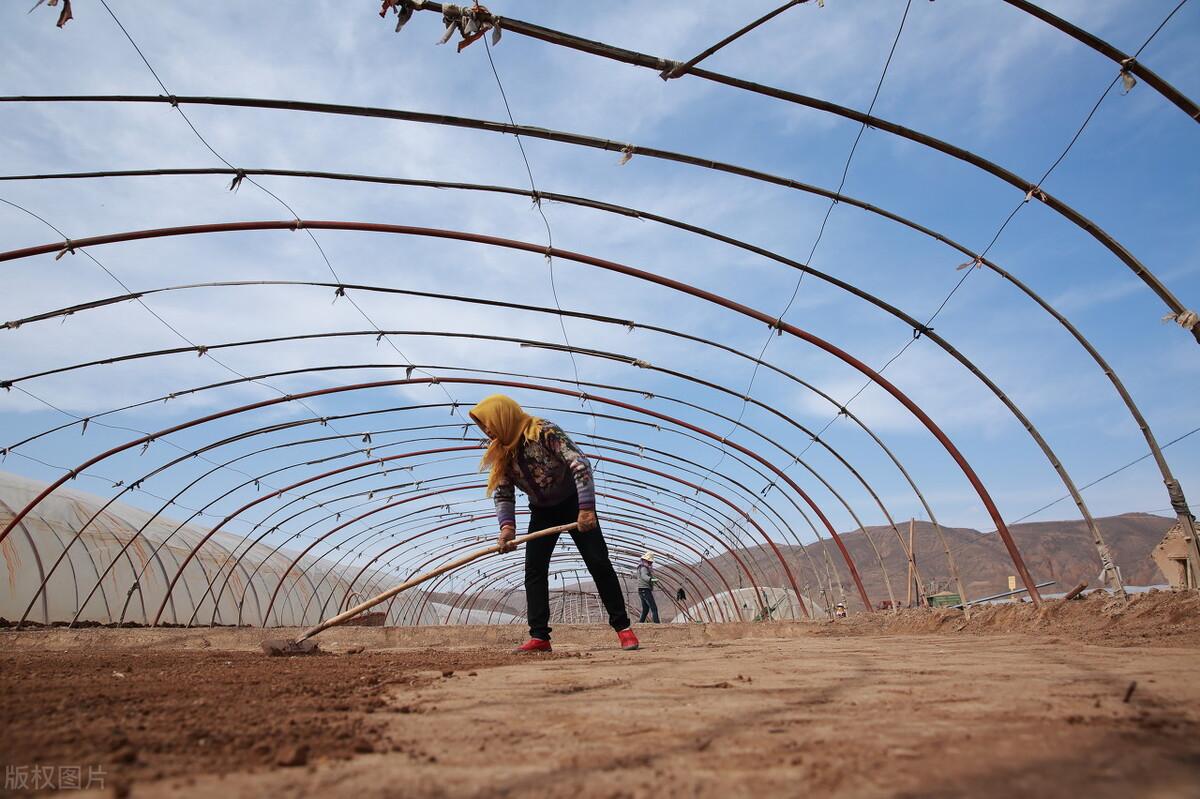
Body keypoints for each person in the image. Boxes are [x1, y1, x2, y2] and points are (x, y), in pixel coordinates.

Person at [470, 394, 639, 653]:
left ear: (502, 416)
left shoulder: (542, 432)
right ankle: (540, 637)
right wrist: (507, 528)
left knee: (598, 562)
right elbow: (503, 492)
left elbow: (579, 463)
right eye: (483, 426)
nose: (487, 430)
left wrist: (586, 509)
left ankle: (623, 628)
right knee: (534, 570)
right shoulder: (501, 453)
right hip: (543, 512)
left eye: (488, 423)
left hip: (574, 503)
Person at [637, 551, 660, 624]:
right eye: (650, 562)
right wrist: (651, 579)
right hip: (645, 590)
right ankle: (657, 624)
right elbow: (644, 576)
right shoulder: (644, 568)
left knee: (645, 609)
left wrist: (653, 581)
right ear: (646, 560)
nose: (651, 563)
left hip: (641, 590)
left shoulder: (642, 567)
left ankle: (640, 623)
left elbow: (645, 576)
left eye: (651, 562)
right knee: (654, 608)